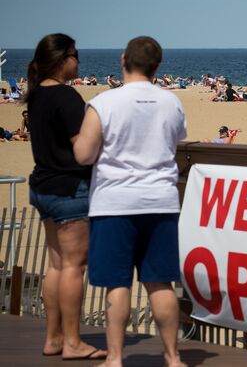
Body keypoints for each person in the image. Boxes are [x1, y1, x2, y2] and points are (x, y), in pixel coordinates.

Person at [73, 36, 187, 367]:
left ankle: (116, 358)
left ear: (123, 60)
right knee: (160, 282)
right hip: (161, 201)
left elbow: (83, 153)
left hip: (114, 203)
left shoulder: (104, 102)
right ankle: (173, 356)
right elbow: (177, 138)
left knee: (117, 284)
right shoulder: (171, 102)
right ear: (157, 67)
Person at [25, 33, 107, 360]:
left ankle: (54, 338)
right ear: (62, 59)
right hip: (69, 189)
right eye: (76, 55)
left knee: (56, 266)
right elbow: (82, 149)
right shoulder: (66, 97)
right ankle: (73, 341)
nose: (79, 61)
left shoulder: (35, 95)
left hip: (42, 185)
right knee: (74, 267)